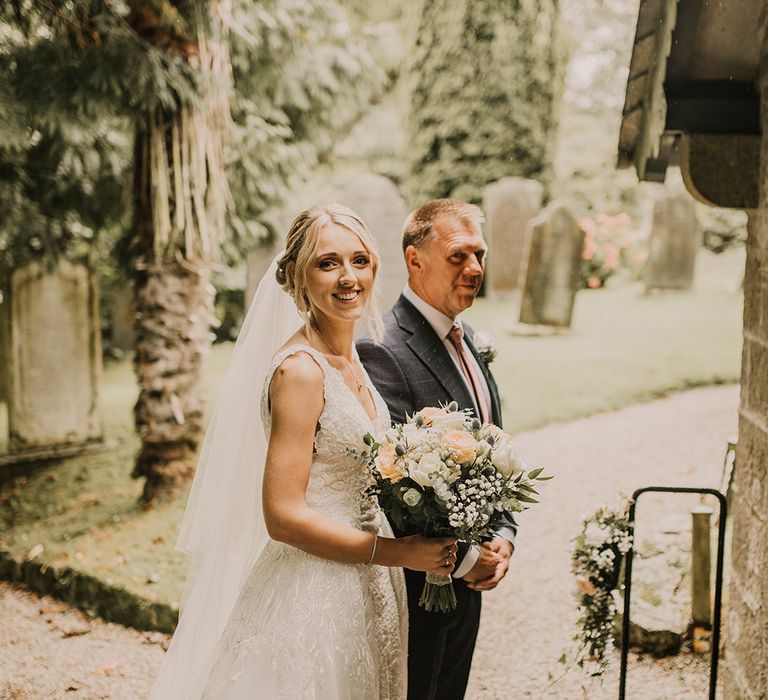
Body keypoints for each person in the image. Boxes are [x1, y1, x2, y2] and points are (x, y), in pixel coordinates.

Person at [150, 204, 457, 699]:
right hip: (316, 588)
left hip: (371, 582)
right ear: (296, 278)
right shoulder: (301, 371)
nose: (348, 277)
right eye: (327, 263)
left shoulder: (349, 358)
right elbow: (284, 515)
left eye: (359, 260)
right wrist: (398, 552)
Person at [357, 198, 517, 700]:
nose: (475, 269)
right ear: (415, 259)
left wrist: (505, 536)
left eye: (480, 255)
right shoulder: (384, 347)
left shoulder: (469, 337)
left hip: (473, 578)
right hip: (420, 584)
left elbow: (495, 444)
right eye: (458, 256)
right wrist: (468, 560)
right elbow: (392, 484)